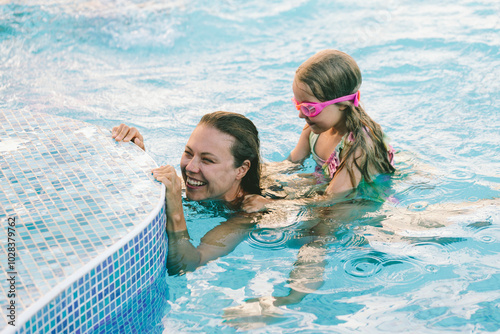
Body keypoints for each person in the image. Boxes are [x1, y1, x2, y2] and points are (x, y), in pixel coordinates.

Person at [112, 111, 263, 275]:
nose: (190, 167)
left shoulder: (250, 211)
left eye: (207, 160)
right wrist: (136, 156)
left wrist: (176, 211)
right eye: (188, 153)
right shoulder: (199, 184)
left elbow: (186, 266)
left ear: (241, 170)